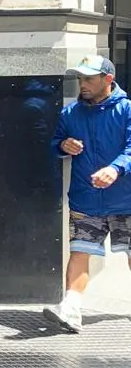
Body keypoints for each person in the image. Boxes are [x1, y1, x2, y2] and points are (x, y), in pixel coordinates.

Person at [44, 55, 131, 333]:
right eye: (80, 79)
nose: (83, 84)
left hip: (126, 199)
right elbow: (55, 143)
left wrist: (116, 169)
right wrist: (62, 146)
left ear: (108, 79)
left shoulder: (127, 110)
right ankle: (70, 309)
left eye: (89, 79)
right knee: (80, 251)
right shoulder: (70, 114)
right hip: (86, 197)